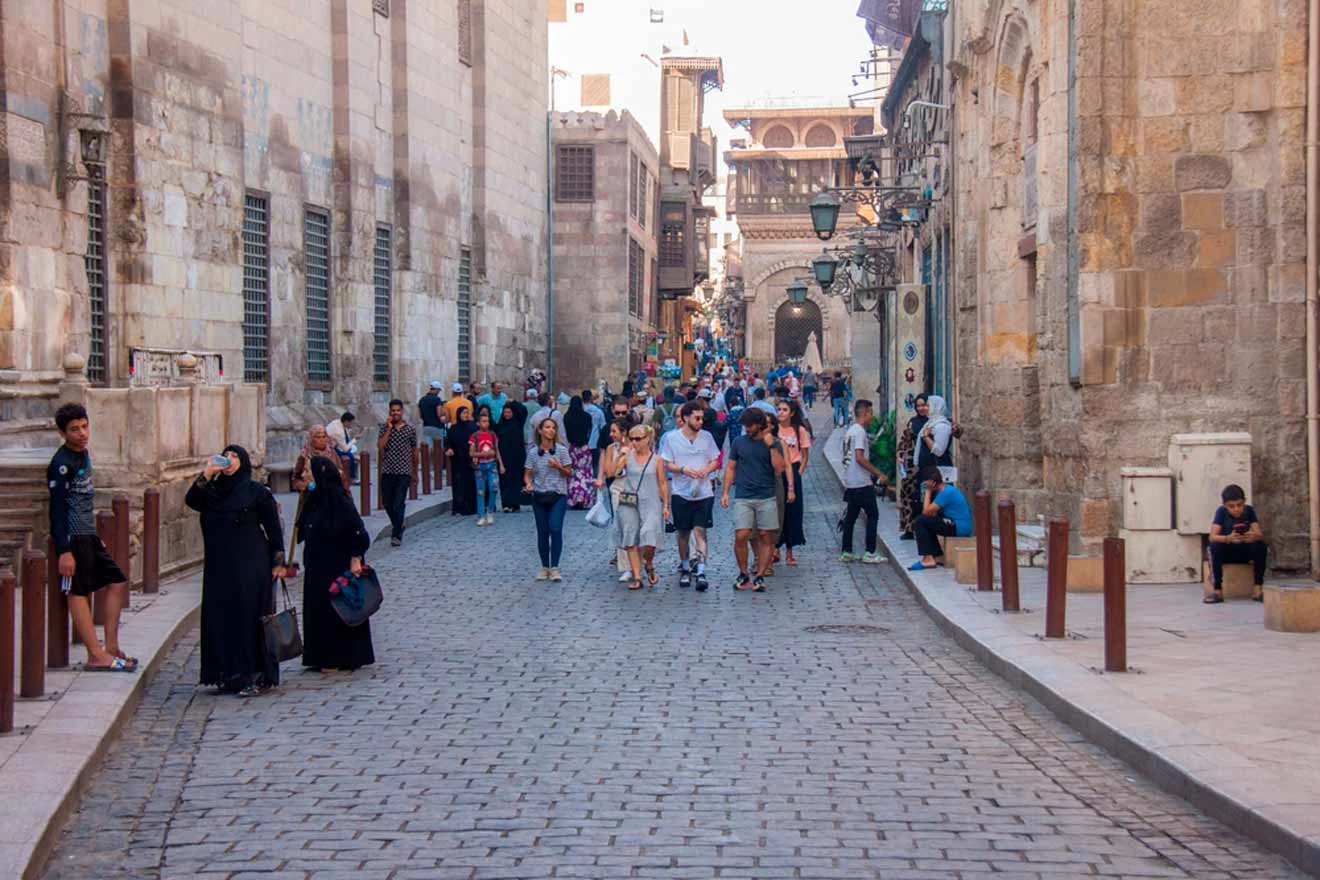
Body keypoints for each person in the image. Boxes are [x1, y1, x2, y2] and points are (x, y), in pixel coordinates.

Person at [186, 444, 284, 696]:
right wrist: (207, 473)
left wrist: (278, 562)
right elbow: (192, 501)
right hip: (220, 566)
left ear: (244, 463)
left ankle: (251, 674)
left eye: (234, 456)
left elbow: (273, 529)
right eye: (226, 455)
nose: (229, 460)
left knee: (248, 617)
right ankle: (225, 674)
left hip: (251, 564)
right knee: (221, 616)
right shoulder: (213, 491)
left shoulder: (256, 492)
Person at [48, 403, 136, 672]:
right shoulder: (61, 464)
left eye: (84, 426)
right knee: (78, 590)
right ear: (63, 433)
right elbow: (58, 509)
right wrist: (64, 549)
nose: (82, 433)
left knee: (117, 582)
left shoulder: (83, 455)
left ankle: (110, 646)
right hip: (72, 537)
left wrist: (96, 536)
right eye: (74, 429)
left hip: (89, 534)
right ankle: (95, 654)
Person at [297, 456, 374, 672]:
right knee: (318, 610)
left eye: (309, 473)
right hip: (318, 565)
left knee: (338, 608)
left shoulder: (339, 499)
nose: (305, 476)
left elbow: (358, 531)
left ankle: (339, 657)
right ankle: (321, 656)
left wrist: (356, 557)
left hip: (337, 564)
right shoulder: (315, 498)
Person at [721, 408, 787, 592]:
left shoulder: (773, 443)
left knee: (766, 536)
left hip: (767, 495)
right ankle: (743, 572)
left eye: (750, 425)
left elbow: (779, 469)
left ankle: (759, 575)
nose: (747, 429)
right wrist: (726, 491)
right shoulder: (738, 442)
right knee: (741, 534)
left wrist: (771, 446)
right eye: (745, 426)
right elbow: (731, 468)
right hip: (743, 495)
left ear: (760, 425)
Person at [659, 401, 720, 591]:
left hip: (703, 492)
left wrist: (706, 470)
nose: (701, 422)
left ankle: (701, 570)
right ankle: (685, 566)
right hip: (681, 492)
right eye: (697, 418)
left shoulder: (707, 437)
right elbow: (667, 464)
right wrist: (683, 469)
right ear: (686, 418)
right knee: (683, 532)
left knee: (700, 531)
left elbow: (715, 459)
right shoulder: (672, 438)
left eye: (702, 418)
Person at [612, 424, 671, 590]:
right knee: (631, 538)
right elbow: (614, 472)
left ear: (647, 439)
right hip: (630, 501)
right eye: (632, 439)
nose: (635, 442)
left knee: (649, 536)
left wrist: (666, 504)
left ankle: (649, 562)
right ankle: (637, 577)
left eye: (638, 439)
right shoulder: (628, 456)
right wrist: (620, 456)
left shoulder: (657, 459)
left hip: (651, 501)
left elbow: (662, 482)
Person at [525, 417, 572, 581]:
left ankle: (555, 567)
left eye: (553, 428)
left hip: (558, 494)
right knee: (542, 531)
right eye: (547, 427)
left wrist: (558, 466)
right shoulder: (532, 453)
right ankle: (545, 566)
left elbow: (569, 473)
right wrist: (528, 484)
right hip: (539, 495)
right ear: (540, 431)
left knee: (556, 528)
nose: (550, 430)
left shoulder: (561, 451)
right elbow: (527, 473)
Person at [840, 399, 887, 564]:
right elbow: (860, 457)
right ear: (865, 412)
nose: (872, 416)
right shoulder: (859, 432)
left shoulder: (850, 431)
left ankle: (847, 551)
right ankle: (870, 551)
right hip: (861, 481)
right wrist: (879, 473)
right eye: (871, 413)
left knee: (851, 517)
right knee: (873, 515)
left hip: (850, 481)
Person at [1206, 484, 1268, 603]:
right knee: (1214, 547)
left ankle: (1257, 589)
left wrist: (1251, 536)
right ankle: (1217, 591)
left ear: (1244, 502)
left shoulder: (1249, 511)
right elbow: (1212, 537)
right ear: (1225, 505)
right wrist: (1227, 538)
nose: (1236, 509)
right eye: (1231, 506)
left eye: (1239, 505)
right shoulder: (1221, 512)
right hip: (1227, 552)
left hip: (1244, 550)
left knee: (1261, 546)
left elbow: (1259, 534)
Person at [909, 468, 972, 571]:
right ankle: (938, 556)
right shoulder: (944, 490)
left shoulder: (946, 493)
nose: (924, 485)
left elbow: (925, 512)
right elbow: (931, 514)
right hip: (954, 524)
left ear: (933, 483)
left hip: (959, 527)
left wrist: (928, 491)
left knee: (920, 521)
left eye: (926, 483)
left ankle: (927, 559)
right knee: (927, 522)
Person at [376, 399, 418, 546]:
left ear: (402, 411)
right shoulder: (384, 428)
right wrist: (388, 428)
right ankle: (398, 524)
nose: (395, 413)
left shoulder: (409, 430)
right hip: (388, 470)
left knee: (398, 502)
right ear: (389, 412)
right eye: (393, 411)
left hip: (404, 470)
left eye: (398, 410)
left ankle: (396, 535)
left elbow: (414, 451)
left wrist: (414, 471)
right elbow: (380, 446)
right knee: (387, 502)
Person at [775, 399, 812, 566]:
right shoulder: (773, 431)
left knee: (792, 511)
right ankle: (775, 548)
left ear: (791, 413)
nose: (780, 412)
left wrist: (799, 473)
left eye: (784, 409)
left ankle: (790, 550)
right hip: (777, 472)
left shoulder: (799, 431)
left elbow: (805, 455)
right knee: (776, 511)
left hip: (794, 471)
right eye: (779, 409)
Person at [911, 394, 954, 531]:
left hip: (938, 472)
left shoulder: (941, 426)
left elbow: (938, 450)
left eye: (929, 405)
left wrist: (926, 437)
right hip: (928, 471)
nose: (926, 408)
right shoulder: (930, 424)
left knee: (936, 504)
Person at [897, 394, 929, 539]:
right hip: (911, 468)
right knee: (909, 496)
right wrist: (899, 454)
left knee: (924, 497)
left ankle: (924, 528)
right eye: (919, 406)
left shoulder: (934, 423)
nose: (921, 408)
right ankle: (909, 528)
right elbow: (904, 441)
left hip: (927, 465)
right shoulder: (913, 422)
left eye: (924, 405)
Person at [470, 410, 504, 525]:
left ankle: (490, 511)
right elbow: (471, 452)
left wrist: (501, 464)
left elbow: (497, 450)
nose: (486, 424)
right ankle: (481, 515)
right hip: (480, 466)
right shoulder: (474, 436)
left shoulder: (493, 435)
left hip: (492, 465)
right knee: (480, 491)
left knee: (493, 488)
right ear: (478, 423)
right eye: (483, 421)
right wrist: (482, 454)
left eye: (487, 421)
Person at [564, 396, 597, 510]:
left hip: (572, 448)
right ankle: (584, 496)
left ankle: (573, 496)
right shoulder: (587, 417)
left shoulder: (567, 417)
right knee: (585, 472)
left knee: (573, 473)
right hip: (584, 447)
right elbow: (589, 431)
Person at [294, 424, 349, 492]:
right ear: (311, 438)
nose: (322, 440)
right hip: (312, 494)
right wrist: (305, 486)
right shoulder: (305, 454)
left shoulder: (332, 453)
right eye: (318, 437)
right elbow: (296, 478)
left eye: (324, 437)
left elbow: (342, 475)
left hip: (332, 493)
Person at [446, 406, 478, 516]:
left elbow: (476, 442)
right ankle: (458, 507)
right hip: (457, 459)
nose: (465, 415)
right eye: (463, 413)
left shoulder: (472, 427)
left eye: (466, 413)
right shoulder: (453, 428)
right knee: (458, 483)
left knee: (469, 484)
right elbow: (448, 442)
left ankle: (470, 507)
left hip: (469, 459)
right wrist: (449, 449)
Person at [496, 403, 528, 512]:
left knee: (516, 480)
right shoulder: (500, 425)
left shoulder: (518, 423)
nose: (507, 414)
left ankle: (515, 504)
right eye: (505, 412)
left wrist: (512, 402)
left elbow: (523, 410)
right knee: (504, 481)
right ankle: (505, 504)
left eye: (509, 412)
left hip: (517, 457)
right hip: (504, 457)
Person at [326, 412, 359, 483]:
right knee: (350, 456)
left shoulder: (337, 422)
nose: (352, 425)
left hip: (334, 445)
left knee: (351, 453)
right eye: (351, 423)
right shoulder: (339, 432)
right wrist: (355, 439)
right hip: (329, 449)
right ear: (346, 422)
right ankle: (351, 477)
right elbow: (345, 448)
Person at [582, 389, 608, 471]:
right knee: (595, 464)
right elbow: (603, 426)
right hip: (595, 441)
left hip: (582, 442)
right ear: (591, 398)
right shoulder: (598, 411)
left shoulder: (580, 411)